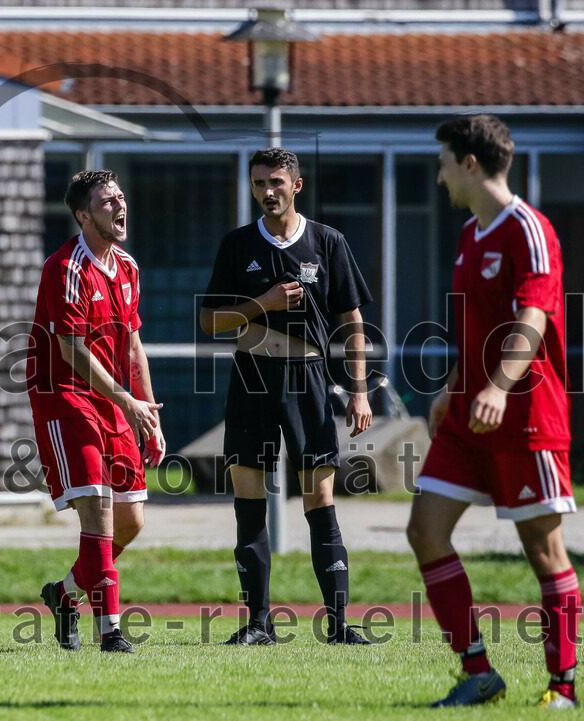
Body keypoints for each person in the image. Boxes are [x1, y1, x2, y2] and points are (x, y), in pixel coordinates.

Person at [406, 115, 579, 709]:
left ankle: (563, 686)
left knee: (543, 550)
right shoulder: (470, 235)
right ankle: (478, 673)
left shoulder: (529, 229)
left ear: (470, 164)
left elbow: (534, 318)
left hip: (525, 415)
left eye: (444, 164)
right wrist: (455, 385)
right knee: (424, 530)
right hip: (467, 415)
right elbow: (475, 326)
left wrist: (499, 387)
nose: (439, 178)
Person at [199, 148, 374, 647]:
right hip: (251, 379)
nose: (266, 191)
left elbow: (352, 323)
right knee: (248, 502)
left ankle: (339, 625)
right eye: (258, 183)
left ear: (297, 185)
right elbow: (210, 321)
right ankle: (259, 624)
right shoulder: (237, 245)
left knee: (319, 500)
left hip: (309, 381)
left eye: (276, 181)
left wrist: (359, 393)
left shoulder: (327, 242)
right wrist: (263, 303)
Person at [27, 170, 165, 653]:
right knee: (100, 511)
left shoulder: (127, 266)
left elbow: (132, 347)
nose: (119, 206)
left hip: (112, 402)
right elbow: (69, 350)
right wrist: (125, 400)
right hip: (65, 399)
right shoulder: (65, 268)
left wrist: (148, 412)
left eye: (120, 197)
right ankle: (110, 631)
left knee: (132, 520)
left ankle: (65, 595)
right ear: (84, 215)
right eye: (108, 202)